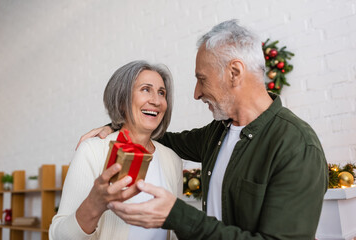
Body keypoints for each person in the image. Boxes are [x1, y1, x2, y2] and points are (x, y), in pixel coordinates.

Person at [77, 20, 328, 239]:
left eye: (202, 79)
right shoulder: (217, 133)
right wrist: (118, 123)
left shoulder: (297, 146)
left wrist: (178, 215)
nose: (196, 93)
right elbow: (162, 139)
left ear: (234, 72)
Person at [49, 60, 183, 240]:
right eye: (145, 89)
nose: (156, 101)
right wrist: (93, 206)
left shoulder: (172, 160)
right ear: (121, 101)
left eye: (162, 93)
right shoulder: (92, 150)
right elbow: (59, 236)